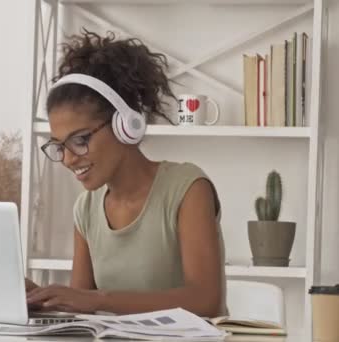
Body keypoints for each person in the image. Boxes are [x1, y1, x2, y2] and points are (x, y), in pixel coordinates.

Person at [25, 29, 227, 318]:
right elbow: (80, 312)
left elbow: (206, 301)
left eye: (80, 140)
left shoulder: (186, 188)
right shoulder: (86, 208)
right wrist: (40, 298)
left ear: (125, 125)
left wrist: (99, 299)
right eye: (60, 146)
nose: (68, 159)